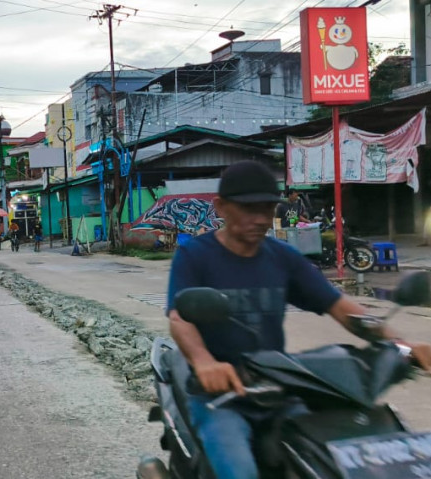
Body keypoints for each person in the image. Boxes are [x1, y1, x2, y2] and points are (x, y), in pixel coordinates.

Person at [166, 161, 431, 479]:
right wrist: (205, 362)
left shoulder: (282, 257)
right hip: (219, 396)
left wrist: (399, 344)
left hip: (278, 386)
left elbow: (341, 307)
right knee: (240, 472)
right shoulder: (195, 255)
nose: (261, 219)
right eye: (249, 209)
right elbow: (181, 317)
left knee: (331, 454)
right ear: (221, 207)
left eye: (267, 208)